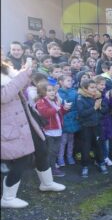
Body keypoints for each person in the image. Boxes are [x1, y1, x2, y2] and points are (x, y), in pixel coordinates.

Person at [1, 60, 65, 208]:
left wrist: (25, 73)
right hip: (10, 123)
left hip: (26, 118)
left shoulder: (6, 69)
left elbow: (17, 87)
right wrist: (22, 76)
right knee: (22, 157)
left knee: (42, 148)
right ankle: (8, 198)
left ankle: (47, 183)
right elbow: (4, 95)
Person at [76, 78, 109, 178]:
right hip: (86, 127)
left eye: (95, 87)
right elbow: (82, 113)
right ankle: (85, 166)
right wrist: (94, 108)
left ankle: (101, 162)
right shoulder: (80, 98)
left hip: (96, 125)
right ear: (85, 89)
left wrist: (99, 108)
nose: (95, 89)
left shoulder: (97, 97)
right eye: (92, 87)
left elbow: (104, 110)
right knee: (85, 147)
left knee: (98, 145)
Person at [35, 82, 67, 177]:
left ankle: (51, 167)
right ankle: (50, 169)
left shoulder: (55, 100)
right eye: (49, 91)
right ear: (43, 92)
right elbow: (45, 113)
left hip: (58, 130)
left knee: (55, 151)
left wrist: (64, 109)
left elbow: (59, 112)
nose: (52, 92)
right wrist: (57, 107)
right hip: (49, 132)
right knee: (50, 151)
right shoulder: (41, 102)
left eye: (53, 90)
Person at [57, 74, 80, 167]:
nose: (70, 82)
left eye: (71, 81)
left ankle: (69, 156)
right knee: (63, 140)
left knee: (71, 139)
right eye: (68, 80)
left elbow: (77, 104)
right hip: (63, 118)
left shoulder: (74, 92)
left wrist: (77, 115)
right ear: (61, 82)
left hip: (73, 118)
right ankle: (60, 158)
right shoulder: (58, 93)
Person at [95, 76, 112, 166]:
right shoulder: (95, 96)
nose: (103, 86)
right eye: (101, 84)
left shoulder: (104, 94)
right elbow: (102, 110)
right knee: (100, 142)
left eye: (104, 84)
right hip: (100, 122)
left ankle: (106, 157)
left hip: (106, 121)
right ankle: (100, 159)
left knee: (106, 141)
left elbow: (111, 106)